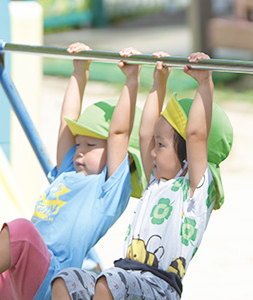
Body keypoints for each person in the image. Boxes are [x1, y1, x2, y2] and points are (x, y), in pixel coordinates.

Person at [0, 43, 146, 300]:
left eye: (91, 145)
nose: (79, 151)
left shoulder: (107, 191)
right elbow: (66, 121)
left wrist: (131, 80)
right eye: (79, 143)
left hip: (49, 280)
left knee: (21, 231)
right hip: (16, 274)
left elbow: (118, 132)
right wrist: (80, 71)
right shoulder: (70, 172)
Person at [50, 51, 233, 300]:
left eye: (161, 145)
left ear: (188, 155)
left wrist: (204, 83)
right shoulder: (155, 183)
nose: (152, 152)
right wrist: (159, 81)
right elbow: (146, 132)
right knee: (67, 279)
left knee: (110, 281)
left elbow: (196, 135)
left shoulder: (192, 191)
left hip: (160, 288)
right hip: (128, 278)